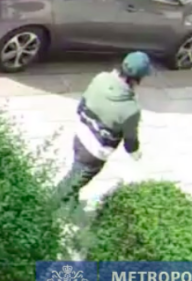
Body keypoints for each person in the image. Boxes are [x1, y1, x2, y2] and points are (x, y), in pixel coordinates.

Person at [56, 51, 149, 204]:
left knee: (75, 174)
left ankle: (70, 202)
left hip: (80, 138)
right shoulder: (130, 109)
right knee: (71, 184)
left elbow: (81, 105)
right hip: (94, 153)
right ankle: (46, 210)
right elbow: (130, 140)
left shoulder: (101, 78)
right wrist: (135, 152)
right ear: (140, 77)